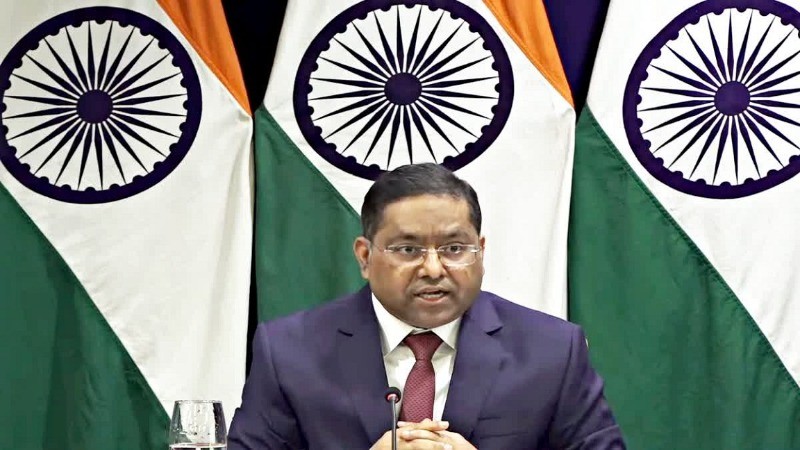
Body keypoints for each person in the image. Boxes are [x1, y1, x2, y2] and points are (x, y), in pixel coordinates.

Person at [228, 163, 625, 449]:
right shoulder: (290, 352)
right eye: (408, 249)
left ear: (480, 251)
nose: (433, 269)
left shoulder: (552, 350)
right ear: (365, 257)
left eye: (454, 249)